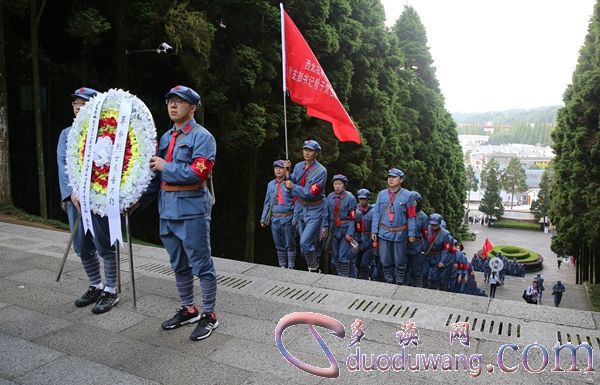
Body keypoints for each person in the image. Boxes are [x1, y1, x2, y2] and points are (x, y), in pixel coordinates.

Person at [139, 85, 218, 341]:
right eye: (170, 101)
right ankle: (188, 308)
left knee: (202, 264)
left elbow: (200, 172)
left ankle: (209, 314)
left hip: (192, 207)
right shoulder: (165, 138)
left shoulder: (202, 137)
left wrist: (167, 166)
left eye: (179, 102)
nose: (172, 106)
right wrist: (137, 203)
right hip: (167, 207)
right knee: (178, 263)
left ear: (192, 108)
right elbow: (155, 174)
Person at [58, 87, 121, 314]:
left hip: (99, 198)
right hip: (76, 200)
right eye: (76, 104)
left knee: (104, 242)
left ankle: (111, 289)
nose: (78, 108)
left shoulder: (108, 133)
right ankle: (95, 284)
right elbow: (63, 165)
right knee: (82, 245)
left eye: (83, 104)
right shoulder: (67, 133)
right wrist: (71, 193)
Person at [284, 140, 328, 273]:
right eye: (305, 149)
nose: (306, 152)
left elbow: (310, 193)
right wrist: (287, 171)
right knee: (305, 246)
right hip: (301, 208)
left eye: (310, 150)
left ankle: (313, 268)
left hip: (315, 209)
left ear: (316, 153)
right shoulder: (299, 166)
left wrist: (293, 186)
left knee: (305, 242)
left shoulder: (321, 171)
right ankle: (314, 266)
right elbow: (291, 180)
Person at [371, 168, 417, 285]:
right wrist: (374, 230)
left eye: (394, 177)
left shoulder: (408, 195)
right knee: (385, 259)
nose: (390, 179)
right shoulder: (381, 194)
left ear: (401, 180)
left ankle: (399, 282)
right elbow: (376, 213)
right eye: (389, 177)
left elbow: (411, 216)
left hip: (400, 233)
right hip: (384, 231)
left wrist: (411, 233)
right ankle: (389, 280)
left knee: (400, 260)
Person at [260, 160, 296, 269]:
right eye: (276, 168)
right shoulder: (270, 184)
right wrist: (263, 219)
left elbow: (296, 201)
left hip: (287, 217)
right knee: (278, 244)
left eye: (281, 168)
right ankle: (282, 266)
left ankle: (291, 267)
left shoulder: (290, 183)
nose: (278, 170)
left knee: (290, 244)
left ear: (285, 170)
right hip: (275, 218)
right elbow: (267, 202)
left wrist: (295, 218)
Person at [323, 175, 357, 277]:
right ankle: (340, 275)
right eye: (335, 184)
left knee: (343, 256)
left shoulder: (350, 199)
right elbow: (325, 214)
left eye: (339, 184)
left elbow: (352, 217)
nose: (337, 186)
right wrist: (324, 227)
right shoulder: (330, 197)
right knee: (335, 256)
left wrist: (350, 233)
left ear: (344, 185)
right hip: (333, 229)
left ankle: (344, 276)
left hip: (345, 228)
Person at [406, 192, 428, 288]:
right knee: (404, 267)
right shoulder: (404, 213)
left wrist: (424, 248)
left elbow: (425, 234)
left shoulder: (423, 217)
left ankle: (418, 287)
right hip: (404, 244)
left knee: (416, 269)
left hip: (417, 245)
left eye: (414, 202)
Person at [425, 213, 451, 290]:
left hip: (438, 256)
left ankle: (434, 290)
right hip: (427, 255)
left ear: (439, 224)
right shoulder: (428, 228)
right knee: (425, 272)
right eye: (432, 225)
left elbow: (446, 248)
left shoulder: (445, 234)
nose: (433, 227)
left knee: (435, 276)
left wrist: (442, 261)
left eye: (435, 225)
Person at [354, 189, 375, 280]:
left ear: (367, 199)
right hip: (357, 239)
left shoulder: (373, 211)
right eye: (360, 199)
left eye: (364, 199)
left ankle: (365, 280)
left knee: (364, 264)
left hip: (369, 240)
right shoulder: (354, 209)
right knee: (355, 263)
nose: (362, 201)